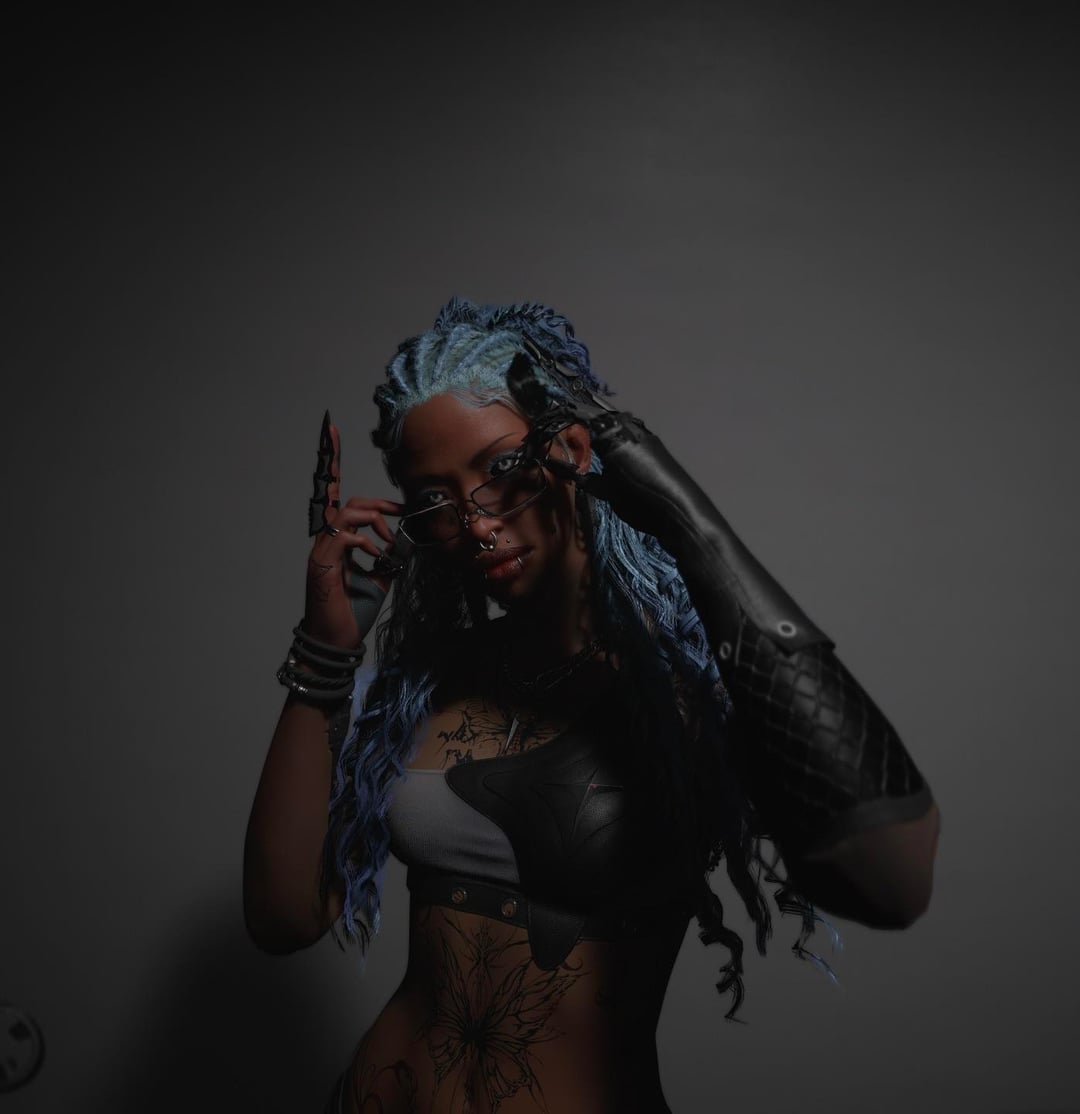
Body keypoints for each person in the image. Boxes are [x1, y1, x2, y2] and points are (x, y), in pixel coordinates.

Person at [243, 297, 941, 1114]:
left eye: (500, 470)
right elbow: (284, 917)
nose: (475, 524)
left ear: (572, 451)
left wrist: (689, 521)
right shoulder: (425, 682)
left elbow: (894, 883)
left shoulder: (691, 685)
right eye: (435, 499)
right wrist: (327, 651)